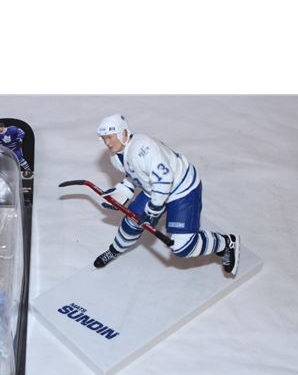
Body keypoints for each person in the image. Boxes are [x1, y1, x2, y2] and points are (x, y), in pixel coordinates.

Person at [93, 114, 240, 276]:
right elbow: (136, 175)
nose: (107, 142)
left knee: (183, 247)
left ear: (123, 133)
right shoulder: (116, 157)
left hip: (181, 189)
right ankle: (114, 250)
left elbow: (164, 179)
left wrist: (153, 210)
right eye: (104, 138)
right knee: (131, 223)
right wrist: (121, 192)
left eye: (110, 137)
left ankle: (226, 243)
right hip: (154, 189)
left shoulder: (143, 149)